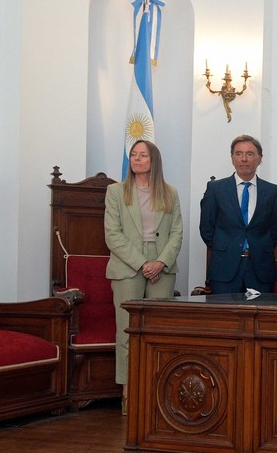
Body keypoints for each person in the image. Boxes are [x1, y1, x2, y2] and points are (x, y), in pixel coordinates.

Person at [104, 139, 182, 415]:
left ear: (154, 161)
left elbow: (176, 233)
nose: (137, 159)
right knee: (127, 333)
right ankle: (128, 393)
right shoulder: (116, 192)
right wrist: (142, 263)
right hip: (128, 266)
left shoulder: (169, 192)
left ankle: (156, 393)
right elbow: (112, 235)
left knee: (158, 334)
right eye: (133, 155)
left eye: (143, 155)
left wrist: (160, 262)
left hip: (162, 266)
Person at [199, 134, 277, 294]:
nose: (244, 159)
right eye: (238, 154)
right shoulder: (216, 189)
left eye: (250, 154)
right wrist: (227, 248)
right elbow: (207, 229)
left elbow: (274, 231)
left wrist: (257, 248)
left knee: (260, 318)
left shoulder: (272, 191)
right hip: (224, 268)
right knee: (225, 318)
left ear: (260, 158)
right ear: (232, 158)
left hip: (260, 270)